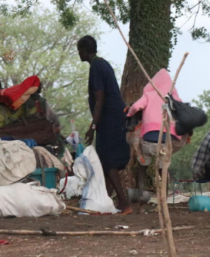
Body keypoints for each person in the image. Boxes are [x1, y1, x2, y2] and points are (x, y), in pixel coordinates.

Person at [77, 35, 131, 214]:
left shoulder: (96, 67)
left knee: (108, 160)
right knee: (105, 158)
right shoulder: (102, 64)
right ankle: (105, 201)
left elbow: (100, 98)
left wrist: (93, 126)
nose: (79, 54)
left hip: (110, 118)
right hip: (112, 117)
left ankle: (124, 202)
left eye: (79, 50)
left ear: (84, 50)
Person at [126, 69, 187, 200]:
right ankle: (164, 198)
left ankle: (141, 195)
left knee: (143, 166)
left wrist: (129, 114)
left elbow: (136, 107)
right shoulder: (174, 98)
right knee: (163, 169)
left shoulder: (149, 95)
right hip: (166, 143)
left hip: (148, 141)